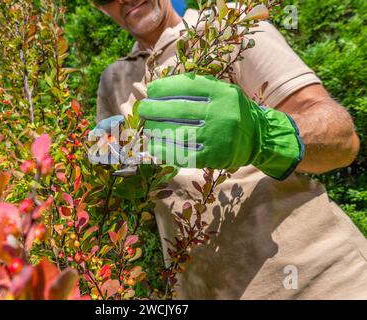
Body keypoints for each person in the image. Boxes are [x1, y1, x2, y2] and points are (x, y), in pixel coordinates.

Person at [91, 0, 367, 299]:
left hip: (320, 280)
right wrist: (111, 173)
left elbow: (343, 140)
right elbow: (114, 182)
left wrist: (263, 133)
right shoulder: (113, 80)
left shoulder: (228, 30)